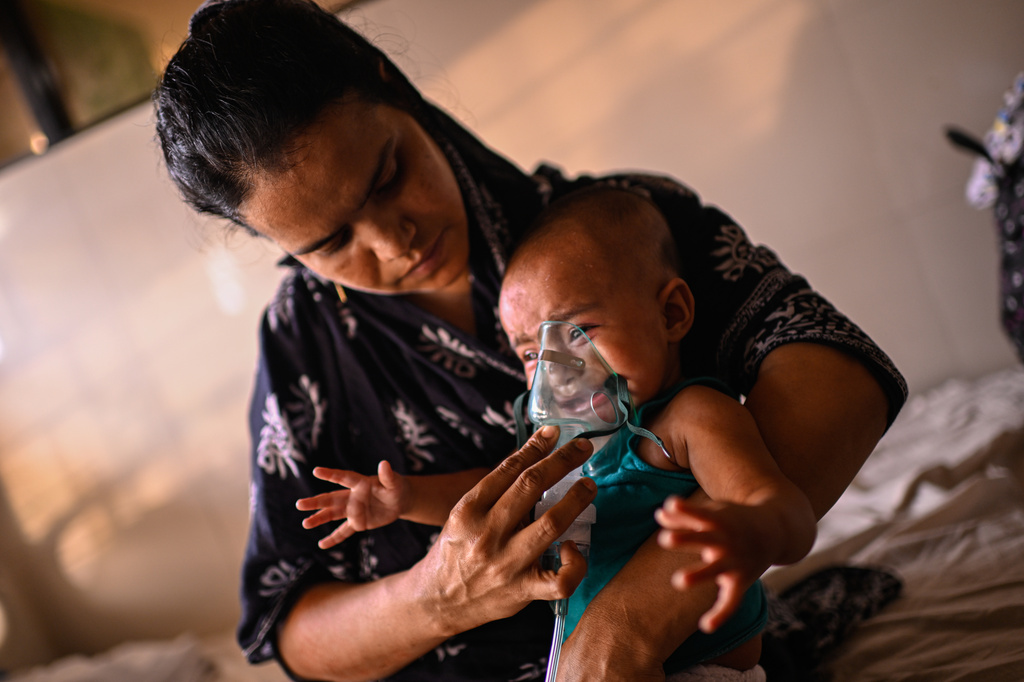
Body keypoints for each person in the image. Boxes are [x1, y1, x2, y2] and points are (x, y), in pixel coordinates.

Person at [152, 0, 906, 679]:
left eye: (387, 176)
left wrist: (630, 618)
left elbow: (836, 375)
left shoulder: (619, 230)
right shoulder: (303, 350)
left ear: (392, 85)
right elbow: (289, 628)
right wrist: (437, 598)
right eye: (330, 241)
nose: (392, 239)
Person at [298, 186, 819, 679]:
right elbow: (496, 502)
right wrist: (406, 497)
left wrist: (753, 533)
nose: (557, 369)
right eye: (530, 353)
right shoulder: (569, 448)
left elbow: (786, 509)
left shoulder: (691, 419)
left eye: (579, 331)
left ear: (671, 313)